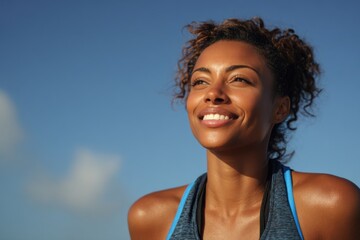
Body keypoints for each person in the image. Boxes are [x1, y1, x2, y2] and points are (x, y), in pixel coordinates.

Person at [128, 17, 360, 239]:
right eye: (200, 81)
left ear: (280, 108)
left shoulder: (331, 204)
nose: (213, 94)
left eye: (239, 79)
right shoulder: (150, 217)